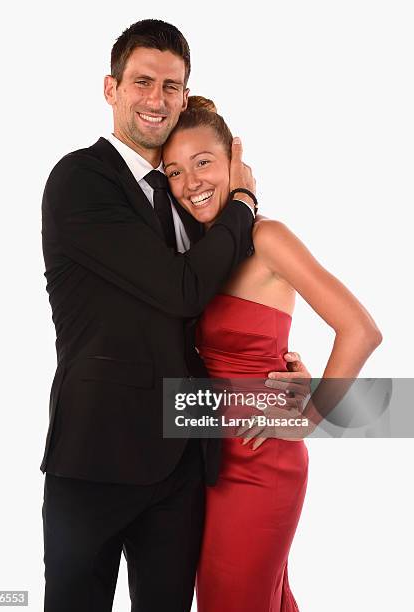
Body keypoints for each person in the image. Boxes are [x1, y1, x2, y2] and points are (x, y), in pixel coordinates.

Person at [40, 20, 308, 612]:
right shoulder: (80, 181)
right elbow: (184, 290)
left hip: (186, 462)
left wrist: (286, 375)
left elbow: (222, 314)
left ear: (185, 95)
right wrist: (243, 201)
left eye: (171, 86)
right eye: (142, 82)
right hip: (96, 461)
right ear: (111, 89)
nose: (156, 100)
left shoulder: (186, 199)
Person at [162, 96, 383, 611]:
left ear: (235, 164)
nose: (191, 182)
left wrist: (311, 415)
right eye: (174, 171)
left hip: (263, 461)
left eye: (204, 163)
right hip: (205, 461)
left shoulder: (269, 239)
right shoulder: (192, 253)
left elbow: (360, 330)